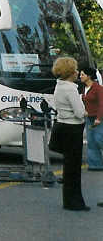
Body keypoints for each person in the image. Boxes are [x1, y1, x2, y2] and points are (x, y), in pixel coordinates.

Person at [52, 56, 89, 210]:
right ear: (70, 73)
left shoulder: (59, 86)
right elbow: (79, 113)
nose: (77, 73)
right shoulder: (70, 89)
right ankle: (75, 202)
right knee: (74, 168)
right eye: (75, 70)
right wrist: (87, 112)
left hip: (63, 126)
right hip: (73, 129)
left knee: (68, 167)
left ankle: (68, 201)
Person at [79, 65, 103, 172]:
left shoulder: (98, 88)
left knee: (99, 140)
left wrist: (99, 118)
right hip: (89, 118)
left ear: (89, 76)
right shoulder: (84, 88)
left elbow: (102, 104)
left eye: (82, 74)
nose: (80, 76)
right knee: (91, 142)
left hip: (99, 117)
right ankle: (95, 165)